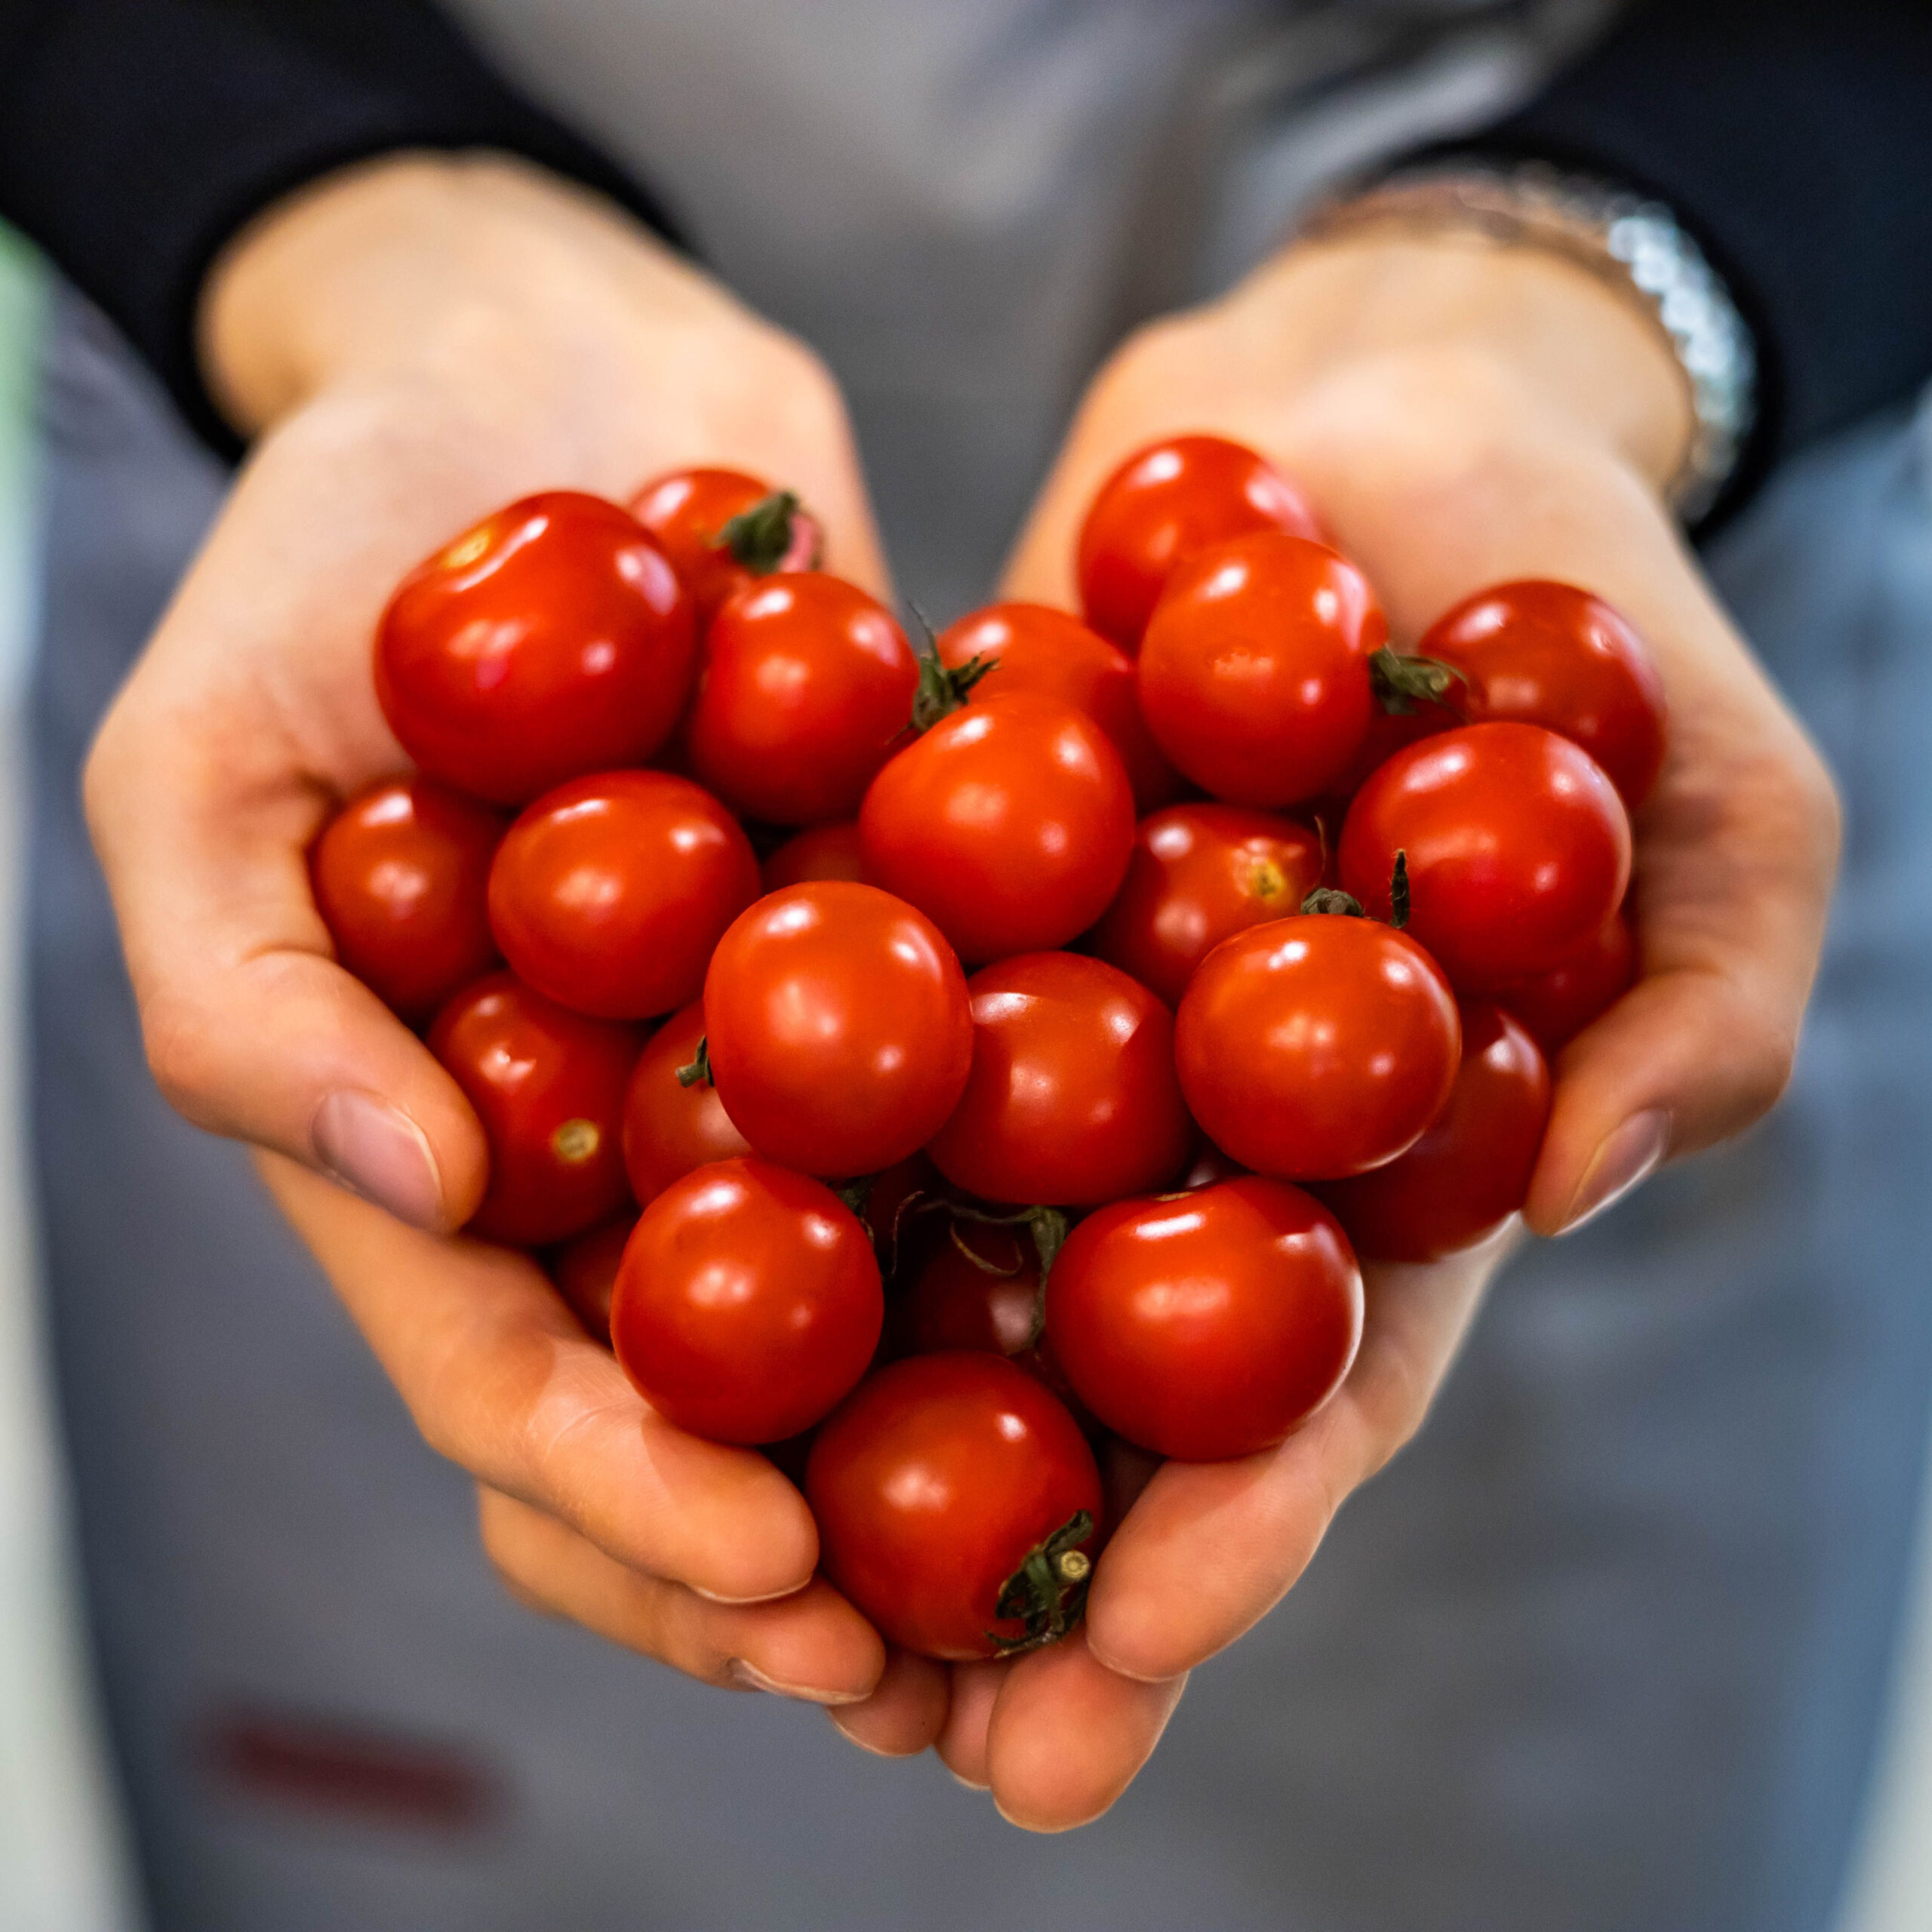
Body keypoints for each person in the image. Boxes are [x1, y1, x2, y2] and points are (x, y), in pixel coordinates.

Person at [2, 1, 1929, 1924]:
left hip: (1609, 430)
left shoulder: (1345, 819)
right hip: (329, 416)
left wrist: (1624, 255)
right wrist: (335, 209)